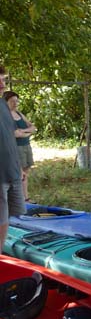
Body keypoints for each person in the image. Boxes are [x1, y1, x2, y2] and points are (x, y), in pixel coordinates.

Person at [0, 66, 25, 253]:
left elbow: (9, 138)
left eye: (4, 80)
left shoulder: (2, 105)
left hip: (12, 172)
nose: (2, 85)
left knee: (7, 220)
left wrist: (19, 167)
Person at [3, 91, 36, 201]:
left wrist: (24, 131)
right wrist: (26, 132)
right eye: (12, 101)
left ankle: (26, 198)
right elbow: (15, 134)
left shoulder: (19, 114)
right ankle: (19, 199)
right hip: (15, 148)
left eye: (17, 101)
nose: (15, 103)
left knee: (25, 173)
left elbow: (33, 128)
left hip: (26, 146)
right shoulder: (5, 115)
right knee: (19, 174)